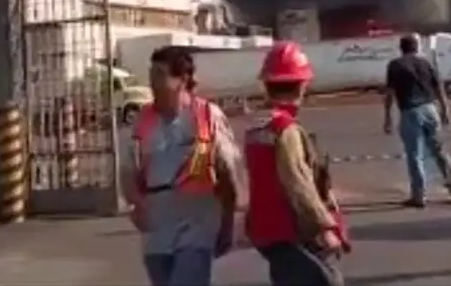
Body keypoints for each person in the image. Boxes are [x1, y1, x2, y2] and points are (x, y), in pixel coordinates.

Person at [121, 46, 240, 286]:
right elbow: (128, 171)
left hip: (196, 228)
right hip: (157, 234)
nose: (152, 83)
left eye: (160, 75)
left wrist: (228, 223)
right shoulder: (143, 121)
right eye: (151, 74)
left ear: (182, 80)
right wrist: (134, 205)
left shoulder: (207, 117)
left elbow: (227, 173)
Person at [244, 41, 349, 286]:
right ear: (301, 85)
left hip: (264, 228)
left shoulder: (257, 125)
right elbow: (297, 181)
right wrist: (324, 226)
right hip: (291, 229)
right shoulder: (286, 129)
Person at [383, 33, 451, 208]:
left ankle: (419, 195)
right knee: (439, 151)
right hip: (430, 109)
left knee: (415, 155)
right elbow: (439, 87)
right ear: (416, 47)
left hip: (410, 111)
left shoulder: (396, 65)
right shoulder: (426, 63)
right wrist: (445, 110)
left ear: (401, 48)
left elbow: (389, 93)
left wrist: (387, 117)